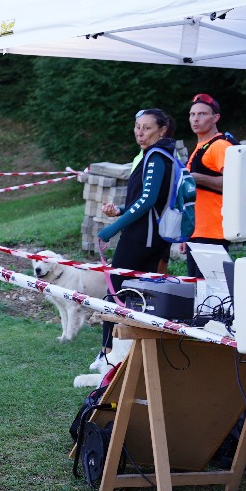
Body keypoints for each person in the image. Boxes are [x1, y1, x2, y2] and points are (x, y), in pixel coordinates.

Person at [97, 108, 179, 349]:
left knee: (116, 291)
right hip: (153, 236)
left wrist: (112, 228)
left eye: (147, 128)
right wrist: (121, 210)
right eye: (137, 127)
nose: (139, 133)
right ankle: (131, 351)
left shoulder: (156, 156)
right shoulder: (159, 154)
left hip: (143, 237)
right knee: (138, 295)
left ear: (162, 130)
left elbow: (148, 200)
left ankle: (107, 351)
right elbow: (147, 200)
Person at [179, 93, 238, 276]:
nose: (195, 119)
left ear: (215, 118)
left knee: (213, 289)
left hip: (213, 232)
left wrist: (199, 178)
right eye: (192, 114)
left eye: (202, 114)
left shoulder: (219, 146)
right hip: (198, 231)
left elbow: (235, 183)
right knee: (199, 288)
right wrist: (187, 232)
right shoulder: (201, 147)